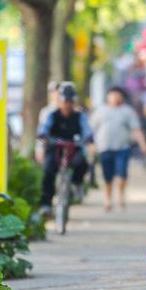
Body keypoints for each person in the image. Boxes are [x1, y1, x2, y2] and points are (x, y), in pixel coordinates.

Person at [37, 82, 94, 215]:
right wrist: (40, 147)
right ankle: (46, 204)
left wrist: (91, 144)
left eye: (70, 102)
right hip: (55, 147)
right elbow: (43, 132)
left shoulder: (80, 116)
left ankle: (77, 184)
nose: (67, 105)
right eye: (65, 101)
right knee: (48, 172)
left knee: (82, 163)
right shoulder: (52, 115)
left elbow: (87, 132)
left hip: (74, 146)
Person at [89, 86, 146, 211]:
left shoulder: (127, 111)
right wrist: (91, 144)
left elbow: (136, 129)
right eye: (112, 94)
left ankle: (121, 195)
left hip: (122, 148)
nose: (115, 97)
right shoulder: (100, 111)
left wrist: (143, 143)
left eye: (117, 95)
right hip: (104, 148)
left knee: (121, 174)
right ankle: (108, 198)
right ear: (108, 96)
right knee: (107, 176)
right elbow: (91, 130)